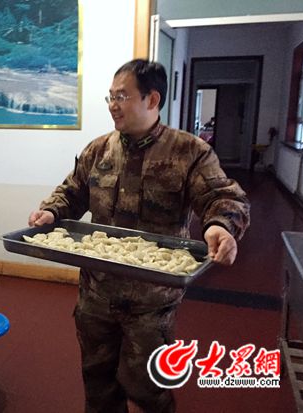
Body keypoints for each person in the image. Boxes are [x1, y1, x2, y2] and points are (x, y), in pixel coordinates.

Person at [28, 59, 250, 413]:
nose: (113, 105)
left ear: (152, 99)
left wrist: (220, 226)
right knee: (98, 381)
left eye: (122, 96)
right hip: (97, 292)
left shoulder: (189, 152)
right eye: (110, 97)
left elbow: (223, 197)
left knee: (148, 386)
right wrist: (51, 212)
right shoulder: (98, 150)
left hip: (152, 299)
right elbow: (72, 192)